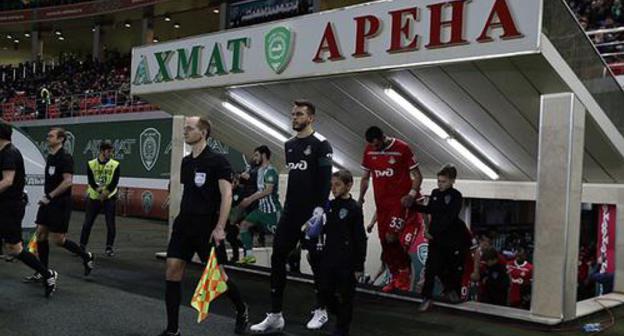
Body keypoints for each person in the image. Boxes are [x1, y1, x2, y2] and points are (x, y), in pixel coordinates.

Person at [160, 116, 248, 336]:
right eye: (185, 128)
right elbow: (189, 191)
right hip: (184, 224)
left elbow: (226, 195)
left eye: (189, 128)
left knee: (218, 277)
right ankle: (172, 330)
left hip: (206, 227)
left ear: (204, 132)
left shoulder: (218, 161)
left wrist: (220, 227)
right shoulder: (186, 161)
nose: (185, 132)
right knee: (172, 269)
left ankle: (241, 309)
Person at [251, 100, 333, 333]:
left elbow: (325, 181)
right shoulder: (288, 145)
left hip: (313, 213)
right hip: (290, 212)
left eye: (299, 114)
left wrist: (319, 211)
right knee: (278, 257)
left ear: (311, 118)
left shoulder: (322, 144)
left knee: (316, 261)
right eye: (293, 114)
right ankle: (276, 315)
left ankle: (321, 310)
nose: (294, 118)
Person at [24, 127, 95, 283]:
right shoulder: (50, 157)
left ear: (61, 139)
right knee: (41, 234)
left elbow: (68, 181)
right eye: (48, 135)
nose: (48, 138)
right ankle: (43, 271)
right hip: (48, 202)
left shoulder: (66, 158)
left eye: (51, 136)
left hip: (60, 203)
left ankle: (86, 256)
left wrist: (50, 196)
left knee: (59, 240)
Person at [359, 126, 423, 292]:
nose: (376, 148)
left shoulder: (402, 148)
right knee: (384, 243)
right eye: (372, 146)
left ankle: (404, 270)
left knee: (391, 237)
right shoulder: (369, 151)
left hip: (398, 203)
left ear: (383, 138)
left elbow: (418, 175)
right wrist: (360, 198)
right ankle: (394, 276)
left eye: (377, 145)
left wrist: (411, 194)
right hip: (382, 204)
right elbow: (365, 178)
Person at [0, 121, 57, 296]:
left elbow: (8, 180)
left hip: (9, 207)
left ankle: (47, 274)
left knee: (15, 249)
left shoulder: (10, 153)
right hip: (4, 205)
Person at [412, 164, 469, 311]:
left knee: (449, 268)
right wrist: (413, 206)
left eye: (443, 181)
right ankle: (427, 297)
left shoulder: (456, 196)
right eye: (439, 181)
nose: (440, 184)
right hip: (435, 240)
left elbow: (450, 218)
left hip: (450, 240)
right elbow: (430, 209)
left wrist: (433, 232)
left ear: (452, 181)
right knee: (431, 268)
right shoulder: (435, 193)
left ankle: (451, 290)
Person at [318, 170, 367, 336]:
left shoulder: (354, 209)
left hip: (347, 262)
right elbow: (323, 228)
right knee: (325, 292)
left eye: (337, 185)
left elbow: (360, 238)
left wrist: (359, 265)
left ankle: (342, 328)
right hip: (329, 258)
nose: (333, 189)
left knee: (347, 297)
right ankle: (341, 316)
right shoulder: (329, 206)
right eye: (332, 185)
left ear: (349, 185)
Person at [237, 145, 282, 265]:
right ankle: (249, 256)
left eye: (256, 155)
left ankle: (288, 262)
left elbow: (268, 191)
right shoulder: (260, 171)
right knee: (244, 225)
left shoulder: (271, 171)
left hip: (272, 212)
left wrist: (250, 199)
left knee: (281, 238)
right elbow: (260, 190)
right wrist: (249, 198)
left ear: (264, 155)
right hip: (261, 210)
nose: (254, 158)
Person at [79, 141, 120, 257]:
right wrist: (99, 191)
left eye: (111, 151)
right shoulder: (91, 164)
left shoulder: (115, 164)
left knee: (110, 223)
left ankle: (109, 247)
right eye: (108, 151)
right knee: (87, 223)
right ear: (102, 151)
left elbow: (114, 182)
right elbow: (91, 181)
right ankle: (82, 246)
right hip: (94, 196)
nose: (110, 153)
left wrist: (106, 193)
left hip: (109, 196)